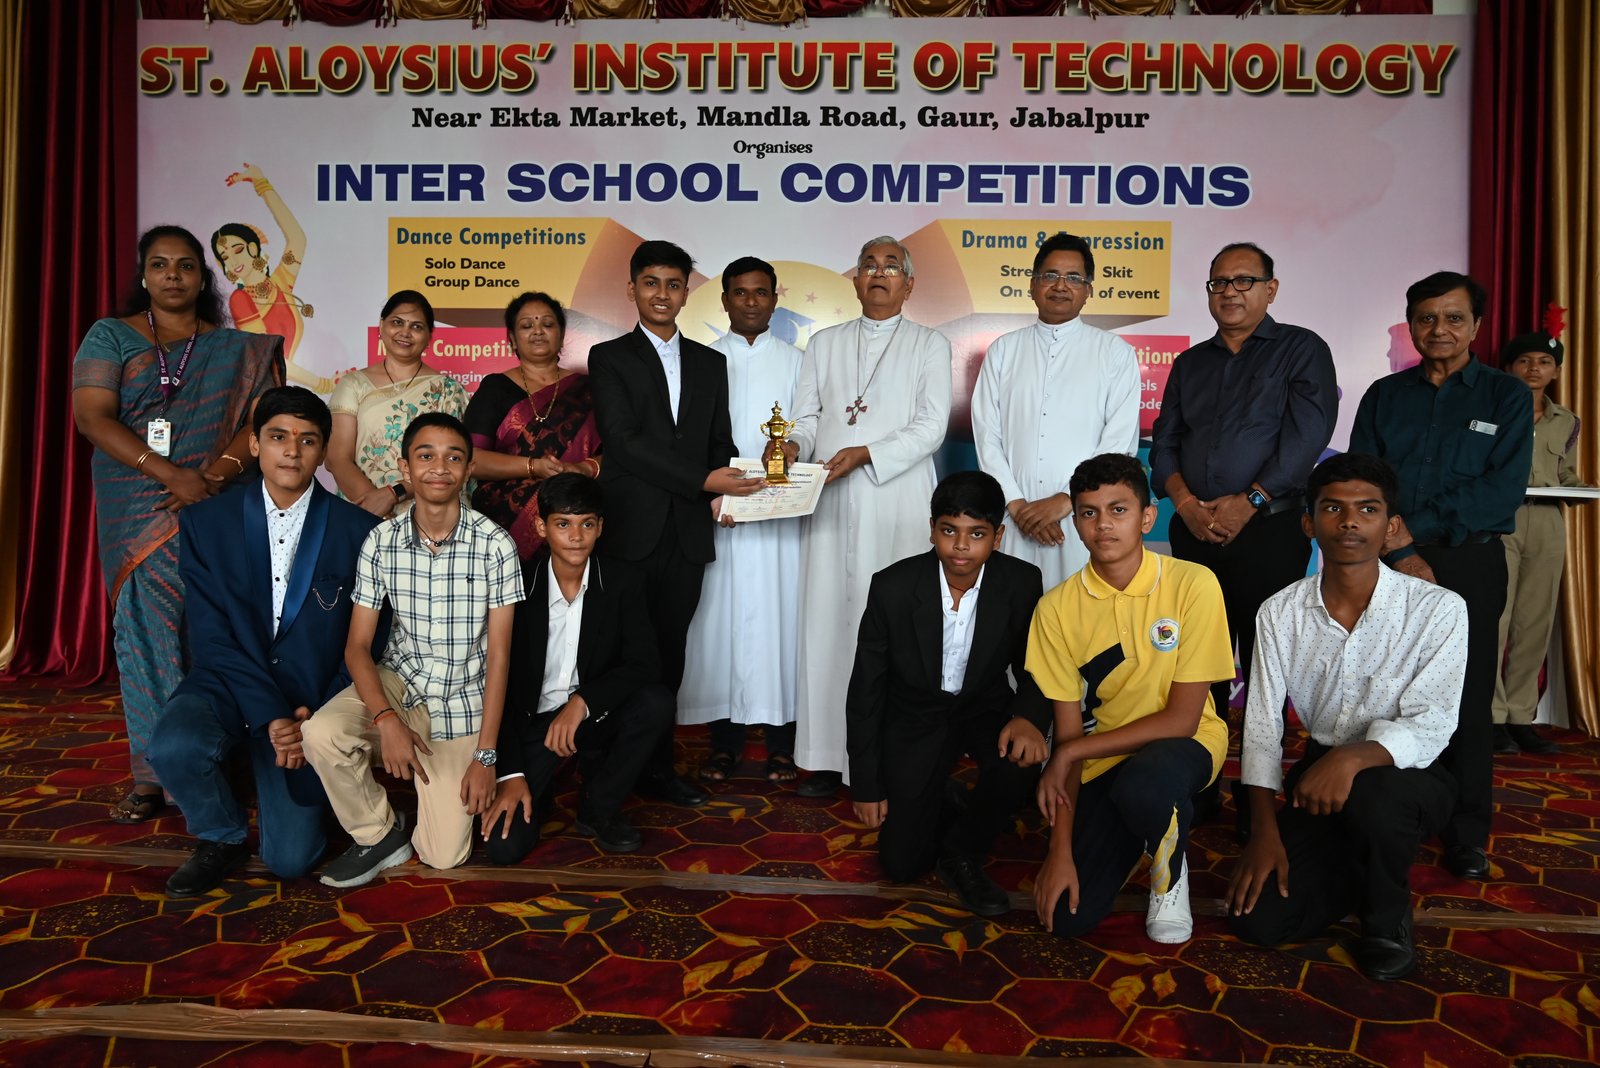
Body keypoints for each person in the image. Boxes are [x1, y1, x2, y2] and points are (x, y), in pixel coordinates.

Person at [72, 224, 283, 824]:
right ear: (144, 275)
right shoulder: (111, 336)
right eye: (160, 265)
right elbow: (93, 418)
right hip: (140, 509)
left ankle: (221, 759)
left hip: (215, 507)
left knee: (217, 635)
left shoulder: (237, 349)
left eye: (186, 265)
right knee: (147, 639)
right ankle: (153, 774)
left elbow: (263, 420)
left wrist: (210, 477)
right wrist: (171, 475)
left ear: (202, 276)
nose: (173, 275)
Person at [1228, 453, 1467, 981]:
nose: (1350, 522)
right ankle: (1360, 867)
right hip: (1320, 773)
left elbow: (1432, 723)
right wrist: (1263, 832)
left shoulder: (1438, 608)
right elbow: (1262, 730)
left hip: (1410, 776)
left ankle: (1387, 918)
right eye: (1333, 508)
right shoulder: (1279, 612)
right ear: (1309, 523)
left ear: (1391, 526)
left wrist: (1354, 758)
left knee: (1375, 795)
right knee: (1260, 922)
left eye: (1367, 509)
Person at [148, 387, 381, 895]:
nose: (292, 452)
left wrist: (314, 716)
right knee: (172, 746)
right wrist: (272, 715)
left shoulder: (362, 531)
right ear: (254, 445)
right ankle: (221, 835)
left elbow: (369, 641)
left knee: (291, 860)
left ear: (323, 451)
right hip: (227, 682)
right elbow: (210, 637)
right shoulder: (206, 522)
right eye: (278, 437)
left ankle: (297, 788)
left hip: (309, 700)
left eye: (307, 440)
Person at [1349, 271, 1533, 882]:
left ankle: (1466, 833)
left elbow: (1501, 490)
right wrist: (1398, 547)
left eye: (1454, 318)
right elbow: (1362, 479)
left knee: (1467, 699)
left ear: (1476, 326)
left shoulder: (1506, 397)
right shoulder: (1384, 395)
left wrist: (1410, 531)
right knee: (1382, 693)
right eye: (1427, 318)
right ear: (1411, 326)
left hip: (1468, 562)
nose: (1440, 329)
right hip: (1385, 563)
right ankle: (1387, 816)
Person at [1148, 242, 1338, 822]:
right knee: (1194, 666)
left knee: (1265, 667)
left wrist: (1250, 501)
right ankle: (1198, 784)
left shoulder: (1301, 349)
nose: (1229, 292)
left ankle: (1259, 795)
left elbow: (1307, 437)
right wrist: (1184, 504)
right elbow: (1165, 441)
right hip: (1193, 532)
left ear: (1270, 289)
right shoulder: (1191, 363)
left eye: (1243, 281)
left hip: (1269, 535)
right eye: (1219, 283)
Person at [301, 412, 522, 887]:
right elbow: (358, 647)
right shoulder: (381, 541)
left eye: (453, 458)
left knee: (444, 856)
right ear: (405, 468)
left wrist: (486, 756)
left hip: (462, 701)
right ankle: (378, 833)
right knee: (322, 733)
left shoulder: (496, 545)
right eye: (425, 456)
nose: (439, 468)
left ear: (468, 470)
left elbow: (500, 657)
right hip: (400, 682)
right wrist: (386, 720)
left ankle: (428, 797)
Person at [1029, 453, 1235, 944]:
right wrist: (1058, 852)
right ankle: (1141, 833)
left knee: (1148, 783)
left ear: (1147, 517)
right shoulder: (1055, 609)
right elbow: (1069, 735)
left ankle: (1170, 875)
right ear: (1076, 522)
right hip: (1106, 754)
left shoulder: (1193, 584)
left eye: (1118, 510)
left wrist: (1070, 754)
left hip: (1189, 743)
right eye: (1089, 512)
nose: (1103, 525)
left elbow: (1182, 720)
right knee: (1067, 918)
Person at [587, 239, 763, 808]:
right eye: (651, 283)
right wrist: (705, 480)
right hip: (629, 530)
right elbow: (625, 443)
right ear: (632, 289)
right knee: (620, 655)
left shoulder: (711, 363)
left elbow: (719, 440)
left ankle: (657, 769)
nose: (662, 294)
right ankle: (606, 770)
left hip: (687, 533)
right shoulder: (608, 357)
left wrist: (724, 495)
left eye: (673, 284)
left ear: (687, 292)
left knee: (669, 654)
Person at [787, 236, 953, 798]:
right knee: (829, 620)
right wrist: (792, 447)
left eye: (891, 266)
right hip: (829, 498)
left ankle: (888, 759)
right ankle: (827, 755)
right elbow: (806, 416)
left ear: (909, 283)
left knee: (894, 627)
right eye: (868, 265)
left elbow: (932, 426)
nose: (879, 273)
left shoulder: (929, 344)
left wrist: (867, 453)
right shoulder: (824, 343)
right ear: (855, 280)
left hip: (897, 498)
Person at [846, 470, 1049, 916]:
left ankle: (962, 852)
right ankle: (945, 797)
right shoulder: (893, 587)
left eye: (976, 534)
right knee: (902, 864)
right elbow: (865, 690)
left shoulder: (1021, 582)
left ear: (997, 537)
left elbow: (1035, 665)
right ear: (932, 529)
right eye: (949, 531)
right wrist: (866, 784)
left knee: (1019, 762)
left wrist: (1030, 717)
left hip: (982, 708)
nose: (961, 546)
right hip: (915, 715)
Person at [482, 474, 675, 859]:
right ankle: (541, 785)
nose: (576, 536)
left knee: (655, 702)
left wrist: (583, 701)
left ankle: (599, 805)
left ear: (600, 527)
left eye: (586, 524)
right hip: (530, 725)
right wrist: (511, 773)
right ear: (542, 527)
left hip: (592, 717)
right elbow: (496, 684)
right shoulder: (518, 585)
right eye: (563, 524)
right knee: (505, 848)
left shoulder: (623, 582)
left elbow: (645, 663)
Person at [680, 257, 804, 785]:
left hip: (784, 520)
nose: (751, 302)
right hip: (720, 515)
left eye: (761, 292)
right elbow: (689, 441)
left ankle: (784, 745)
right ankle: (724, 743)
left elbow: (810, 427)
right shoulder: (702, 363)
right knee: (720, 628)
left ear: (775, 299)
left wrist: (795, 453)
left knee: (784, 626)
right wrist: (711, 494)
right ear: (724, 300)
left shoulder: (800, 363)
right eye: (740, 292)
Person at [972, 231, 1141, 591]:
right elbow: (986, 434)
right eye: (1050, 275)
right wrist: (1018, 505)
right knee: (1013, 613)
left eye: (1073, 278)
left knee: (1080, 612)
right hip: (1014, 519)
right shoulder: (1003, 351)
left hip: (1083, 518)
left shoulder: (1115, 353)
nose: (1061, 286)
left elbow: (1118, 442)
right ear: (1032, 285)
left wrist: (1067, 500)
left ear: (1088, 290)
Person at [1493, 319, 1583, 755]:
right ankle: (1490, 716)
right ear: (1508, 368)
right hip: (1500, 520)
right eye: (1524, 361)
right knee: (1495, 618)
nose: (1534, 368)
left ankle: (1520, 716)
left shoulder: (1567, 421)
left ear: (1556, 371)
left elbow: (1566, 473)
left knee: (1534, 621)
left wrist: (1581, 488)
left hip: (1547, 520)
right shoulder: (1490, 413)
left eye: (1544, 361)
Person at [464, 292, 602, 560]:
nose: (538, 331)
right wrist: (533, 467)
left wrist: (584, 468)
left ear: (562, 334)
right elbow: (471, 460)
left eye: (547, 324)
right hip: (503, 529)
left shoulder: (590, 389)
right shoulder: (495, 388)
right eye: (527, 325)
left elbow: (619, 454)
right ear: (512, 339)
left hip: (577, 525)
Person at [326, 290, 468, 520]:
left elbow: (452, 464)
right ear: (381, 326)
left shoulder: (448, 390)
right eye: (397, 322)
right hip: (362, 510)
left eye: (416, 327)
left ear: (429, 336)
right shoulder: (353, 384)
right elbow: (337, 459)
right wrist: (376, 510)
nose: (405, 332)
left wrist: (394, 494)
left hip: (427, 515)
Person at [215, 162, 329, 392]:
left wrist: (262, 184)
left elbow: (297, 238)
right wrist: (324, 385)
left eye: (238, 250)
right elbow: (269, 356)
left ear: (253, 248)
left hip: (280, 392)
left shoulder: (280, 284)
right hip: (260, 395)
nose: (233, 261)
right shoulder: (240, 300)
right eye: (225, 257)